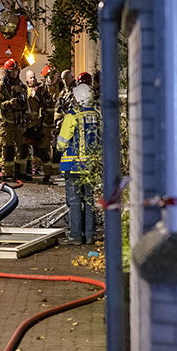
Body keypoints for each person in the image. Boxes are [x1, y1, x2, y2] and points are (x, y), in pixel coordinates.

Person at [56, 82, 99, 245]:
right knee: (89, 201)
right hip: (91, 167)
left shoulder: (72, 115)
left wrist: (58, 145)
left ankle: (75, 236)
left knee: (74, 202)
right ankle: (89, 235)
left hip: (72, 166)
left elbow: (62, 142)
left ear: (79, 98)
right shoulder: (96, 114)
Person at [0, 58, 31, 181]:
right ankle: (7, 174)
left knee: (23, 148)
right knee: (8, 149)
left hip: (20, 122)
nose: (14, 73)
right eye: (12, 71)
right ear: (7, 72)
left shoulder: (21, 85)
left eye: (16, 71)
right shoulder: (1, 86)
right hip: (7, 122)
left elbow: (27, 104)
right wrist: (9, 104)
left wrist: (29, 117)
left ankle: (21, 172)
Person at [26, 69, 56, 184]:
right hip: (33, 125)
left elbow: (43, 107)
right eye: (31, 77)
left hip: (43, 124)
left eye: (34, 77)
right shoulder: (28, 90)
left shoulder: (41, 90)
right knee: (35, 150)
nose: (33, 79)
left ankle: (47, 174)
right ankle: (39, 170)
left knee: (44, 150)